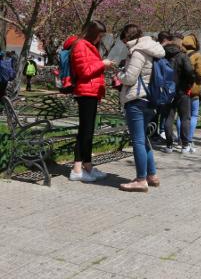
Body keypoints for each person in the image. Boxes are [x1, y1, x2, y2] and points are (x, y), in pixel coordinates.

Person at [117, 24, 166, 192]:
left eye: (124, 40)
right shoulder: (152, 49)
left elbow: (130, 78)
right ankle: (151, 175)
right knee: (143, 139)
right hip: (150, 99)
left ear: (127, 38)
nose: (124, 44)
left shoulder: (138, 51)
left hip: (137, 100)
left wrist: (119, 74)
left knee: (138, 140)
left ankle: (140, 180)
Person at [66, 21, 115, 182]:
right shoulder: (81, 45)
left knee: (88, 131)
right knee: (85, 131)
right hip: (85, 92)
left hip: (91, 92)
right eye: (100, 36)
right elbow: (84, 71)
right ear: (93, 33)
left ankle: (87, 165)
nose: (100, 39)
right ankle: (77, 169)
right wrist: (102, 64)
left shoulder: (87, 45)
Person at [180, 34, 201, 150]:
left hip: (181, 88)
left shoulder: (180, 54)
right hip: (194, 88)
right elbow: (200, 72)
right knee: (194, 115)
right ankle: (189, 139)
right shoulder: (197, 55)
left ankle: (181, 139)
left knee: (182, 116)